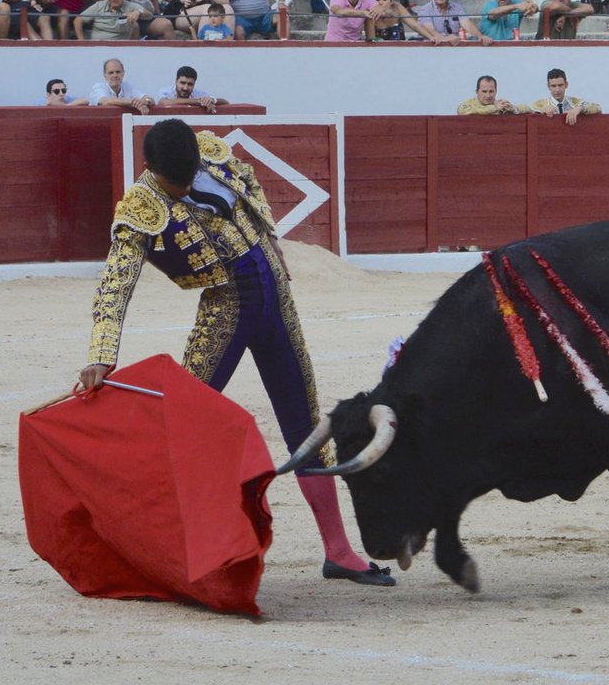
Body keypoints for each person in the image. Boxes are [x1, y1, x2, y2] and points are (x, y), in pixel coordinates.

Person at [80, 119, 396, 587]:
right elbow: (115, 283)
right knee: (182, 428)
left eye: (190, 175)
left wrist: (270, 238)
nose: (187, 185)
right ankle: (162, 546)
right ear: (150, 168)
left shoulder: (207, 152)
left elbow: (248, 180)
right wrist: (101, 353)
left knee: (306, 426)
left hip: (274, 297)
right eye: (177, 182)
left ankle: (339, 551)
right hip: (227, 309)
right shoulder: (140, 208)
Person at [414, 0, 491, 43]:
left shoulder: (457, 7)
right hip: (430, 50)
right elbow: (431, 31)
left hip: (453, 48)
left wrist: (480, 36)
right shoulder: (424, 10)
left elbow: (467, 24)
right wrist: (446, 38)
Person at [529, 68, 601, 126]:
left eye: (560, 85)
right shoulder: (541, 104)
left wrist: (580, 108)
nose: (557, 90)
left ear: (566, 84)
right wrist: (542, 111)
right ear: (548, 87)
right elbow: (525, 109)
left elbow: (598, 108)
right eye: (553, 86)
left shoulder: (575, 102)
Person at [74, 0, 142, 39]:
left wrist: (137, 12)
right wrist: (82, 41)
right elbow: (78, 20)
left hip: (119, 49)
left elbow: (149, 14)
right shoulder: (99, 5)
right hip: (97, 48)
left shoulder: (130, 6)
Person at [371, 0, 438, 40]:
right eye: (377, 0)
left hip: (401, 49)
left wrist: (430, 37)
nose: (380, 2)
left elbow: (414, 25)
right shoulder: (372, 13)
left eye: (384, 0)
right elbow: (371, 38)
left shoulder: (397, 7)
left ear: (391, 1)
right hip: (380, 51)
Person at [156, 66, 230, 111]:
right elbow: (164, 103)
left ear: (194, 84)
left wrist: (213, 100)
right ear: (176, 81)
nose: (185, 88)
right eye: (182, 83)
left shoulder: (200, 94)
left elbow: (226, 103)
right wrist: (198, 101)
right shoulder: (165, 91)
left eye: (190, 84)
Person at [457, 74, 527, 114]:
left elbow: (527, 108)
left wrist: (514, 109)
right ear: (477, 92)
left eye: (491, 91)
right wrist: (494, 108)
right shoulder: (467, 105)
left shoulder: (501, 105)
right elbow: (464, 111)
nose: (488, 95)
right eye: (484, 91)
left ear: (496, 92)